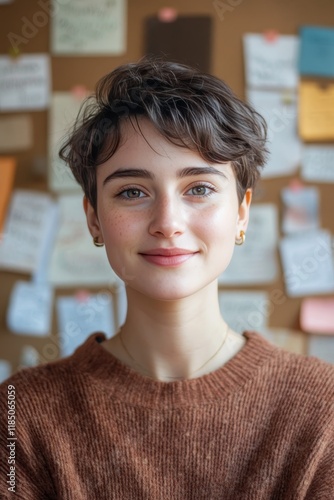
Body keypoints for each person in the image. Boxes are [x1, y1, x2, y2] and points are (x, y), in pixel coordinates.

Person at [1, 57, 334, 500]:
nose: (167, 222)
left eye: (199, 188)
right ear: (94, 219)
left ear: (241, 212)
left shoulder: (322, 406)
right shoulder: (18, 413)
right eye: (132, 192)